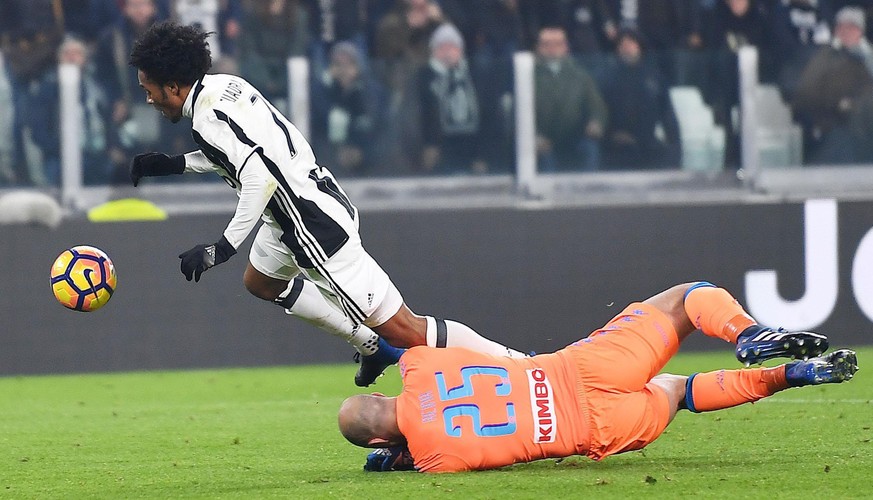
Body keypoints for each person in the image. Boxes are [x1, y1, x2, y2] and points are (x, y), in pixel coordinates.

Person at [126, 21, 526, 387]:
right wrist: (175, 164)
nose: (149, 100)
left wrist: (222, 248)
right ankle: (374, 348)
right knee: (261, 282)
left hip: (311, 229)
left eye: (149, 90)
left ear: (174, 86)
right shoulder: (226, 86)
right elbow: (247, 153)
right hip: (307, 203)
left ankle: (522, 367)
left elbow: (259, 178)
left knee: (407, 329)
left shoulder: (206, 120)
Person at [337, 281, 857, 472]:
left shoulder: (434, 459)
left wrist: (384, 459)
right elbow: (405, 342)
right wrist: (375, 350)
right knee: (686, 298)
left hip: (595, 429)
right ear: (383, 394)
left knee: (679, 391)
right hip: (581, 368)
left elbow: (390, 460)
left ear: (384, 435)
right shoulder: (419, 368)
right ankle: (745, 334)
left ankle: (793, 373)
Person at [533, 26, 608, 172]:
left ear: (566, 47)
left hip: (576, 138)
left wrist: (596, 123)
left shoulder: (580, 76)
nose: (552, 48)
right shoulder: (528, 76)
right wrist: (535, 136)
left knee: (590, 149)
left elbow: (597, 107)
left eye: (557, 44)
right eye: (546, 44)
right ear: (538, 48)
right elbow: (519, 114)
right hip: (543, 141)